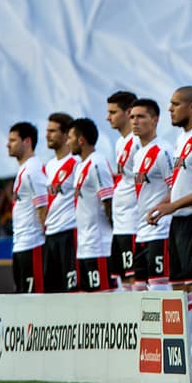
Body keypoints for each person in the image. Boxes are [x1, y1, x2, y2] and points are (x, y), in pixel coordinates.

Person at [148, 88, 192, 364]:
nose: (171, 109)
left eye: (176, 104)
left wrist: (172, 206)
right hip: (178, 219)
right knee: (179, 287)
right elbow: (179, 182)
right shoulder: (181, 139)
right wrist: (165, 204)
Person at [129, 99, 173, 293]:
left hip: (160, 231)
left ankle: (172, 325)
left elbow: (176, 188)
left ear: (155, 120)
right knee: (139, 289)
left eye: (141, 117)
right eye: (132, 117)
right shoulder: (138, 154)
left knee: (158, 288)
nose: (135, 122)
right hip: (141, 232)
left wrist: (159, 210)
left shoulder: (164, 151)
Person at [70, 117, 115, 293]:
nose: (68, 142)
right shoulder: (82, 165)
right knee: (88, 301)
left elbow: (108, 201)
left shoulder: (97, 163)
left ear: (81, 140)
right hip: (84, 246)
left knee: (103, 299)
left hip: (99, 245)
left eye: (70, 137)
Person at [7, 121, 47, 294]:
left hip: (33, 244)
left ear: (27, 142)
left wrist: (44, 239)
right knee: (23, 299)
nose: (8, 144)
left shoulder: (33, 170)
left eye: (13, 140)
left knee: (34, 300)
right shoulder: (24, 169)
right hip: (21, 244)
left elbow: (43, 207)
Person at [107, 91, 142, 290]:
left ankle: (143, 321)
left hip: (133, 222)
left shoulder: (138, 142)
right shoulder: (121, 142)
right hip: (121, 224)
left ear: (128, 112)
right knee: (125, 281)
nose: (108, 117)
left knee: (136, 280)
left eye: (112, 112)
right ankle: (133, 322)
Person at [42, 112, 79, 293]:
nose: (48, 135)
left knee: (72, 289)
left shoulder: (76, 162)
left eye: (53, 131)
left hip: (70, 231)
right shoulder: (49, 165)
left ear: (66, 135)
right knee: (52, 292)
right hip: (51, 234)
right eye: (47, 131)